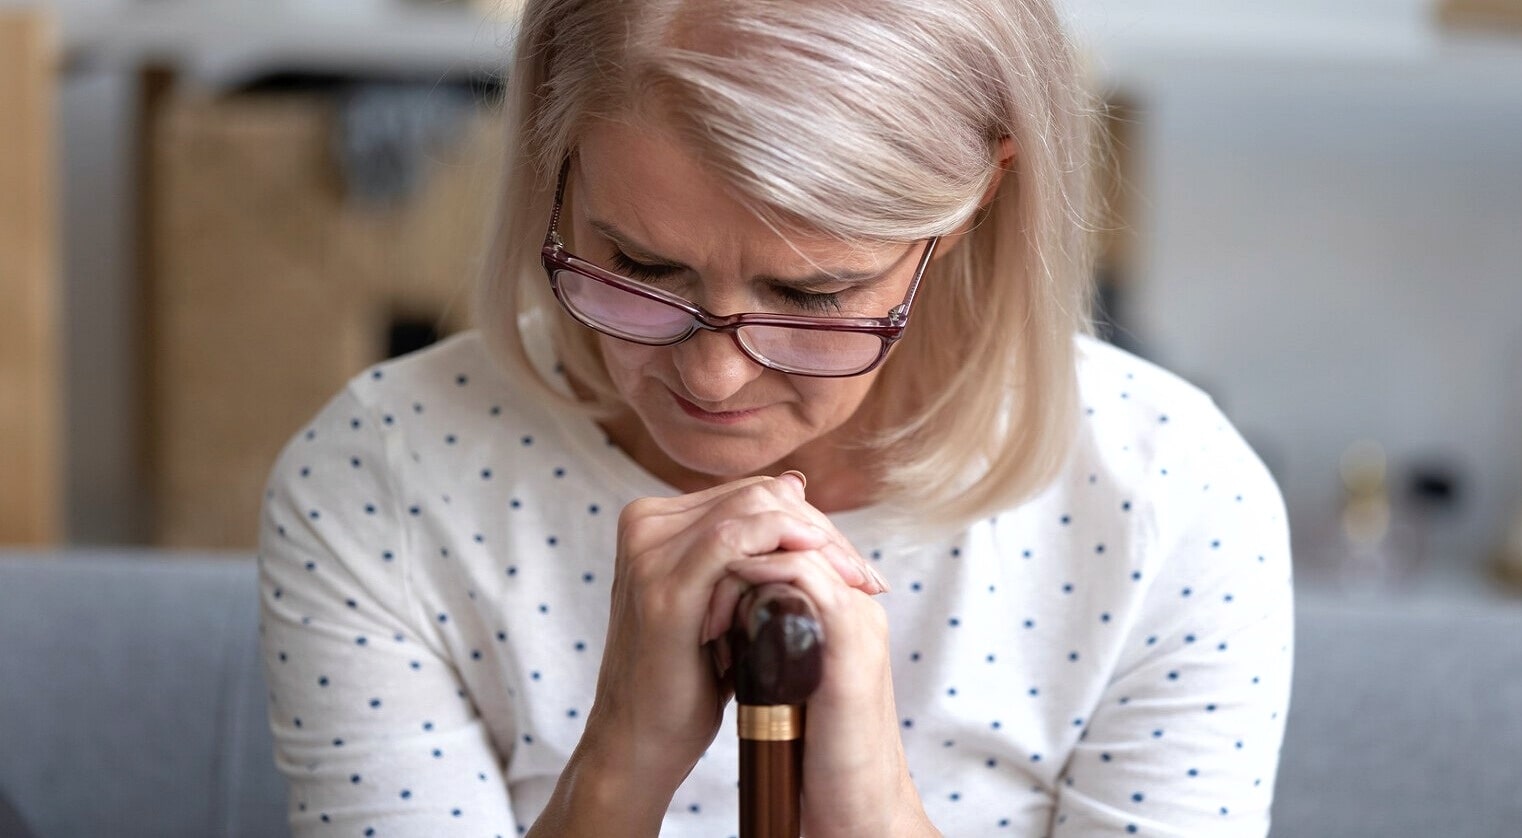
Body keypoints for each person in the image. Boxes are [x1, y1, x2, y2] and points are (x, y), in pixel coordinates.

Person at [257, 0, 1295, 834]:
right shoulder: (382, 477)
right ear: (548, 159)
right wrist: (619, 764)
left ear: (980, 188)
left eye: (810, 296)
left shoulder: (1172, 504)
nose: (711, 377)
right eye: (639, 265)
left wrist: (871, 806)